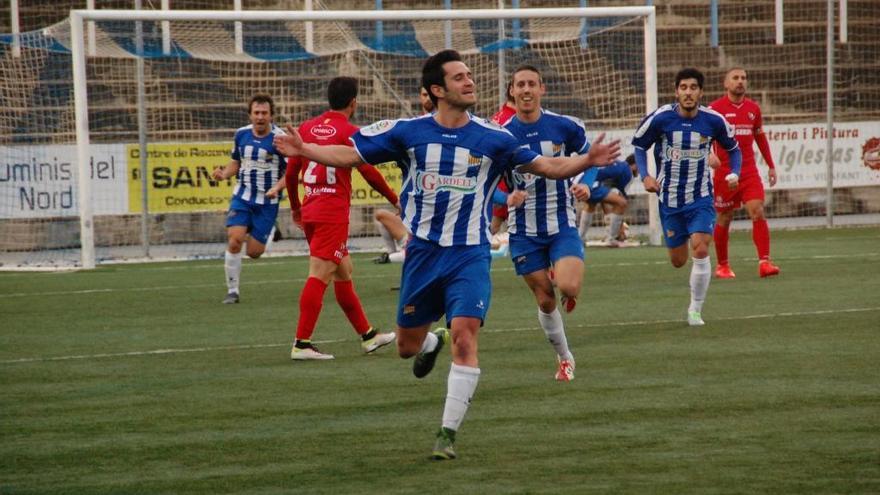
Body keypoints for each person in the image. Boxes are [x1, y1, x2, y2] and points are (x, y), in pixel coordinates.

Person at [274, 49, 620, 460]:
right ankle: (428, 342)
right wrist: (305, 150)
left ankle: (447, 434)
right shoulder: (408, 132)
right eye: (458, 77)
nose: (469, 81)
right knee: (406, 346)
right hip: (422, 255)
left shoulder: (495, 137)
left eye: (469, 75)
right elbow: (351, 155)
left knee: (465, 336)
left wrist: (587, 160)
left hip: (469, 254)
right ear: (437, 90)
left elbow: (546, 166)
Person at [285, 76, 399, 360]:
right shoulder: (350, 132)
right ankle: (302, 343)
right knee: (319, 274)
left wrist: (296, 207)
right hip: (331, 214)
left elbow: (290, 173)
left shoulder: (307, 128)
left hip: (311, 210)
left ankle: (368, 336)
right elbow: (369, 171)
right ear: (354, 103)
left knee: (343, 270)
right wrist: (394, 198)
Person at [502, 64, 593, 382]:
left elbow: (590, 159)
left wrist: (586, 184)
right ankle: (565, 357)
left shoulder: (564, 127)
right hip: (523, 231)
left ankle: (565, 277)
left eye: (532, 84)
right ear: (511, 92)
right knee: (544, 298)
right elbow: (485, 182)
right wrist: (505, 200)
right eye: (519, 85)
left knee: (568, 286)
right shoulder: (500, 134)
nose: (526, 90)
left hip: (561, 224)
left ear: (542, 89)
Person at [632, 67, 742, 327]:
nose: (688, 92)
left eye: (693, 88)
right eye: (684, 88)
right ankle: (692, 295)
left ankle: (695, 310)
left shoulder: (713, 120)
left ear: (701, 92)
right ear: (676, 91)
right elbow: (638, 145)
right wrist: (646, 176)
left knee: (702, 247)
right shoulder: (661, 118)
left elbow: (734, 149)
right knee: (678, 261)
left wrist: (734, 172)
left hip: (701, 198)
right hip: (669, 200)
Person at [212, 94, 288, 305]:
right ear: (250, 115)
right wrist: (224, 174)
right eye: (257, 113)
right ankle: (233, 291)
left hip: (267, 202)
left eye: (264, 113)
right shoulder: (241, 135)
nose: (260, 117)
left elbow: (291, 173)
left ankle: (271, 227)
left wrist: (277, 187)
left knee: (254, 252)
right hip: (243, 196)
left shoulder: (280, 139)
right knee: (235, 239)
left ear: (271, 115)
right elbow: (236, 162)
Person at [709, 67, 780, 279]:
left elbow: (760, 137)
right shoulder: (714, 109)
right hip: (724, 172)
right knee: (724, 217)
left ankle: (764, 262)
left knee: (757, 210)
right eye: (736, 78)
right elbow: (705, 137)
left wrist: (771, 165)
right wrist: (709, 156)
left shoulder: (753, 109)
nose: (740, 81)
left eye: (743, 78)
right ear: (726, 83)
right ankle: (722, 265)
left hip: (748, 171)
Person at [577, 154, 637, 246]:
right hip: (590, 181)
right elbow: (621, 200)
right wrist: (619, 228)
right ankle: (611, 239)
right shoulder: (628, 172)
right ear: (635, 165)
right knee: (622, 203)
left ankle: (580, 238)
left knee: (591, 204)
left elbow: (605, 200)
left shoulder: (619, 166)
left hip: (583, 180)